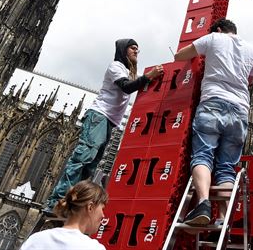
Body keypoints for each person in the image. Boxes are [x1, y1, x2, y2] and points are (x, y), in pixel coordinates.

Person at [44, 39, 164, 212]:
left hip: (109, 121)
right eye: (133, 48)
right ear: (123, 50)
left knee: (91, 165)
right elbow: (126, 87)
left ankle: (74, 202)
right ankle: (56, 202)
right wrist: (148, 76)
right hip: (99, 116)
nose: (136, 51)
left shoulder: (128, 72)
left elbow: (136, 84)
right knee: (82, 159)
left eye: (138, 49)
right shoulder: (116, 66)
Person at [174, 18, 253, 226]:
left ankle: (203, 203)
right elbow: (250, 81)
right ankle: (222, 217)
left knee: (203, 155)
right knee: (227, 167)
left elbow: (180, 56)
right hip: (240, 110)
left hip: (214, 102)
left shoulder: (214, 38)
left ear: (219, 30)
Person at [22, 180, 108, 250]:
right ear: (90, 207)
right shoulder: (93, 248)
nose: (103, 215)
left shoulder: (36, 239)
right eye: (102, 209)